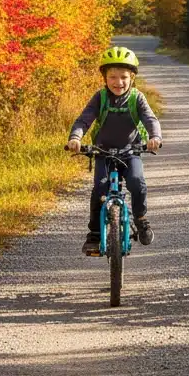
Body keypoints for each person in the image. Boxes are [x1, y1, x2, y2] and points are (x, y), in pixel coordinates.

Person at [66, 45, 162, 256]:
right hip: (103, 152)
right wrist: (76, 137)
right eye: (113, 77)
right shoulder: (100, 98)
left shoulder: (137, 98)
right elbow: (84, 119)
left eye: (124, 77)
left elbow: (149, 119)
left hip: (130, 150)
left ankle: (140, 218)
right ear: (105, 77)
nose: (118, 82)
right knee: (99, 189)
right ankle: (94, 234)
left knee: (137, 183)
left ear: (132, 77)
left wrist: (155, 137)